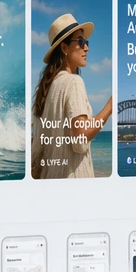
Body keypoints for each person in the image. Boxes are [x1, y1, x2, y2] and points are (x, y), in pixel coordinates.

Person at [32, 13, 113, 179]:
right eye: (81, 41)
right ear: (64, 48)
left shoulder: (48, 89)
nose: (87, 47)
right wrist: (109, 107)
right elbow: (80, 138)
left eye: (86, 42)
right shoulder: (73, 82)